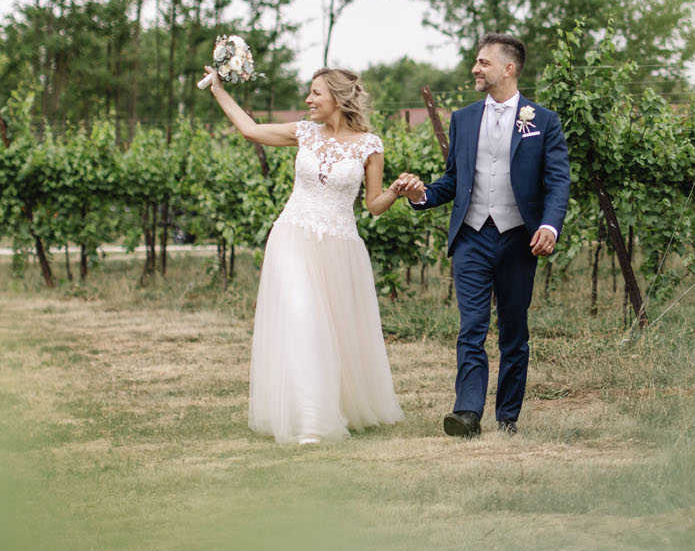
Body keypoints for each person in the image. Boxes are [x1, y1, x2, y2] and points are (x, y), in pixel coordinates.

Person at [205, 65, 408, 445]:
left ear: (338, 97)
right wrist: (218, 89)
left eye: (315, 93)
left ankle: (333, 407)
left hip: (339, 244)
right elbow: (250, 129)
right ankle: (314, 422)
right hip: (293, 236)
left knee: (332, 329)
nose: (308, 99)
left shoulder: (370, 145)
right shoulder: (303, 133)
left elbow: (374, 205)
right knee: (303, 317)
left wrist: (397, 190)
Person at [392, 34, 570, 437]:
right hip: (471, 237)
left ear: (508, 69)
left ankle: (507, 417)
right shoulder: (463, 118)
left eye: (483, 62)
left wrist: (549, 225)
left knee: (513, 331)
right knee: (471, 327)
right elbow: (455, 180)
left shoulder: (543, 121)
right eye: (476, 61)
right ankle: (468, 413)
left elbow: (558, 182)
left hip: (518, 238)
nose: (475, 68)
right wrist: (423, 195)